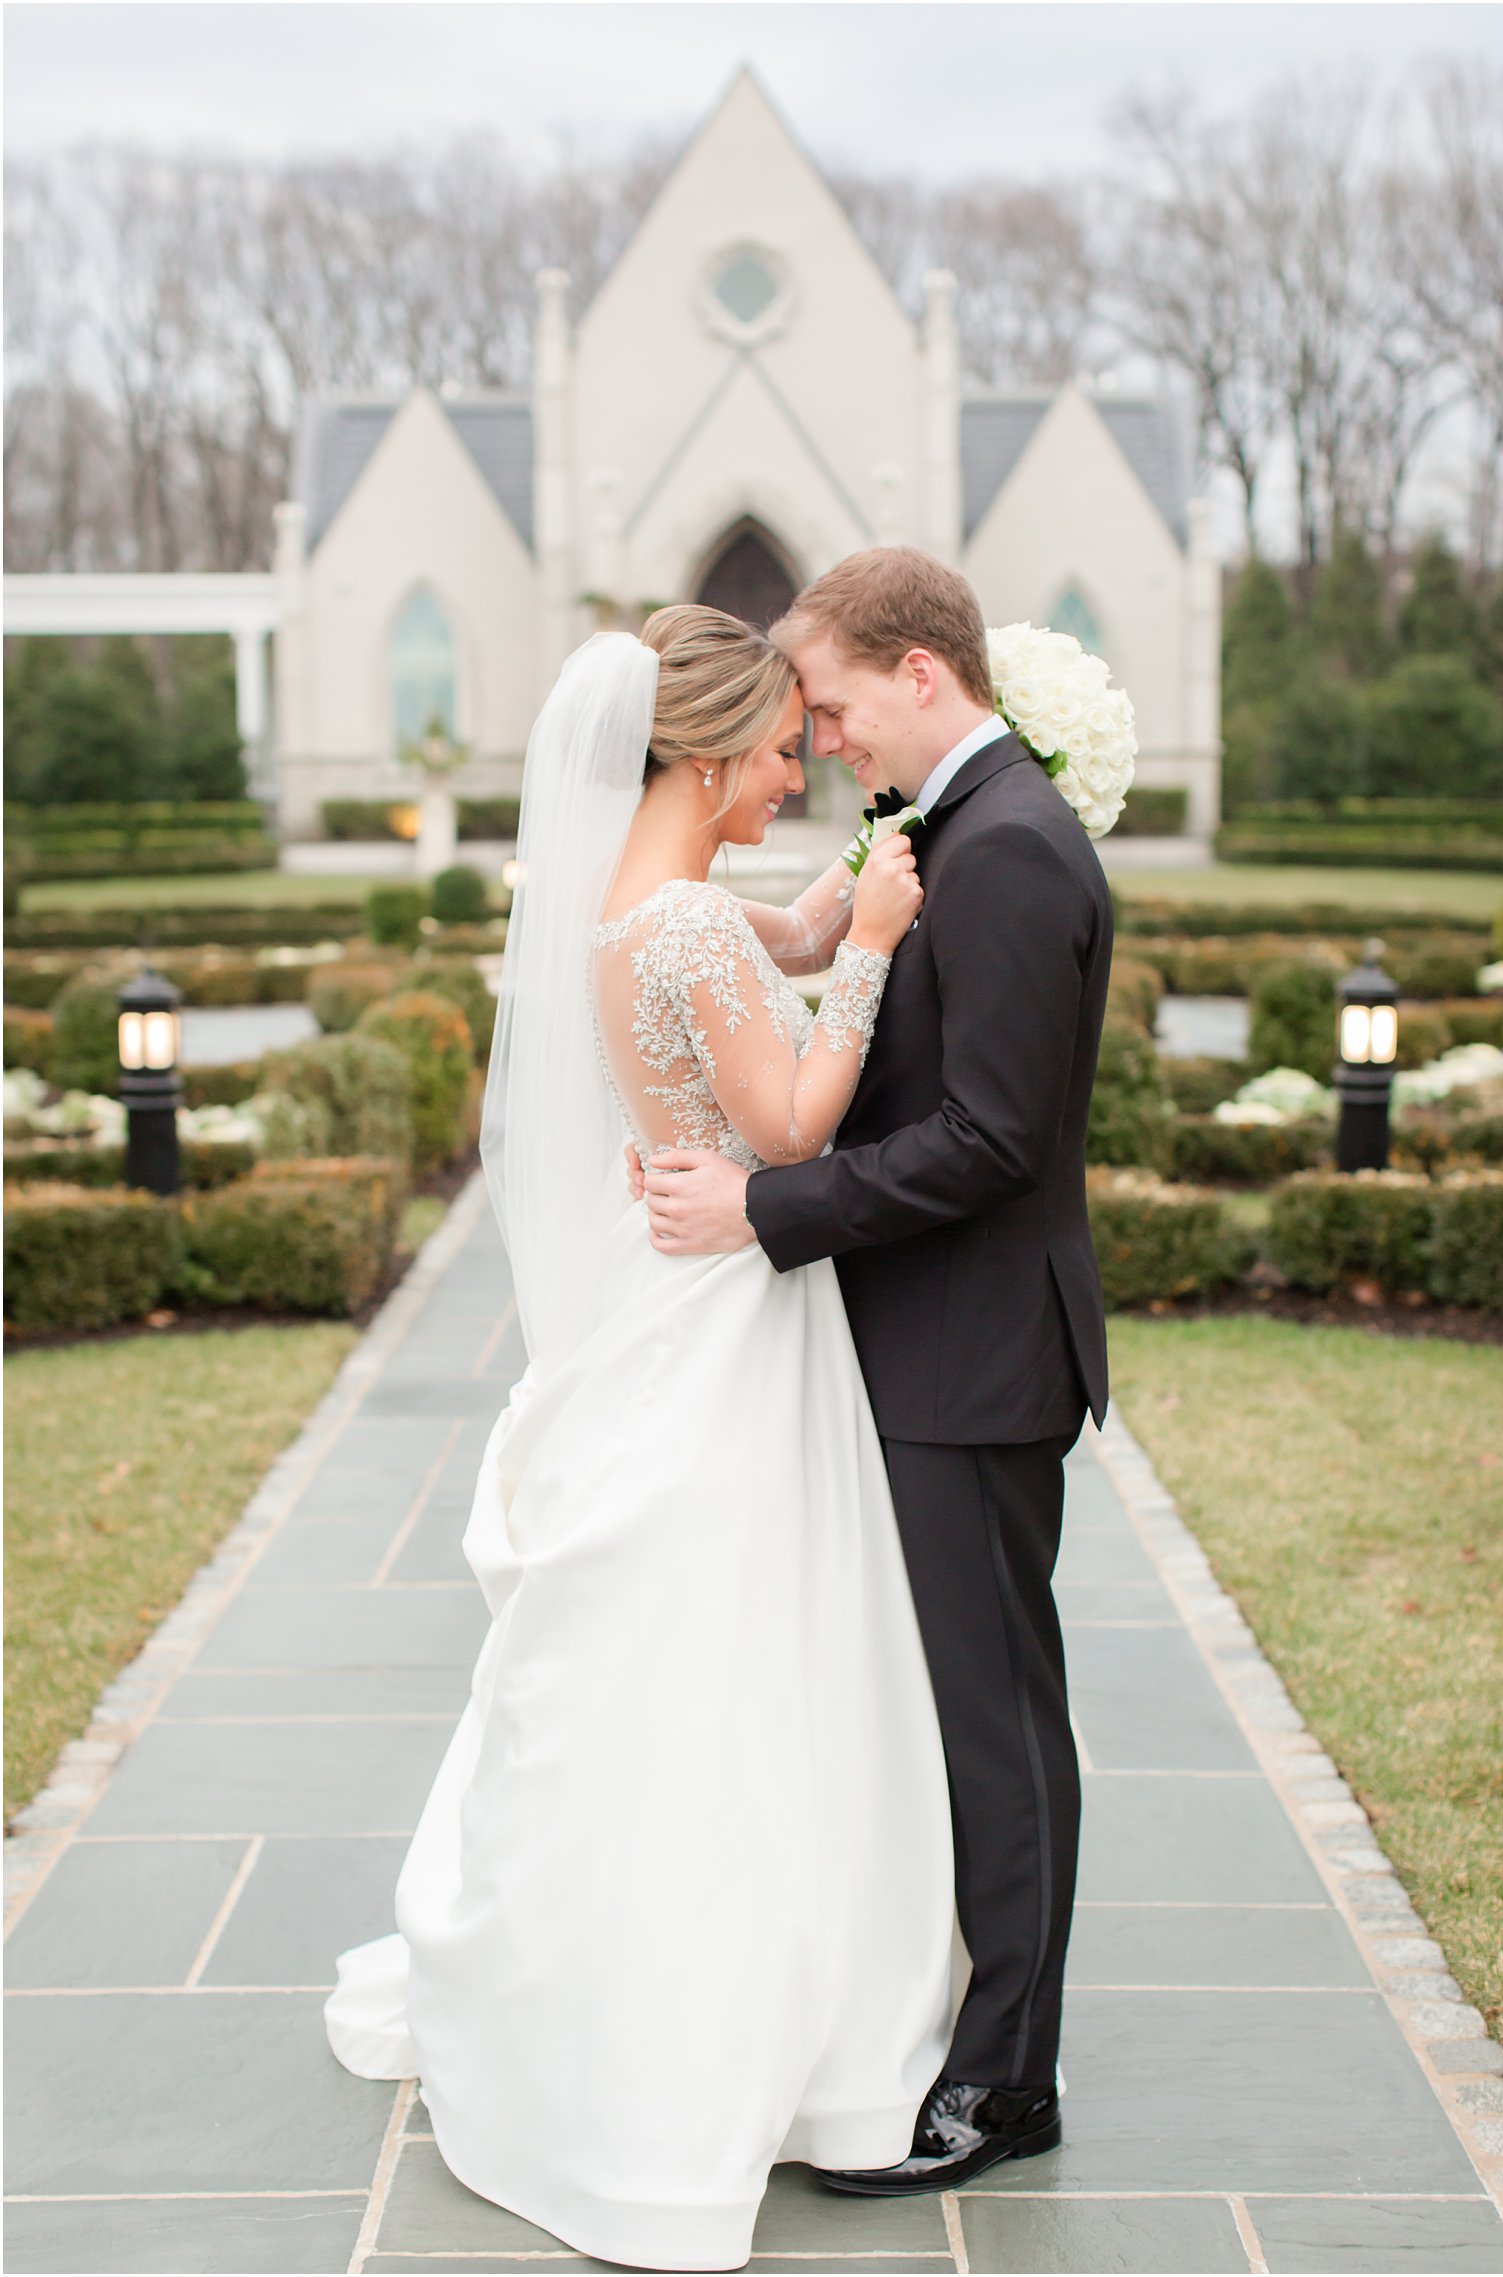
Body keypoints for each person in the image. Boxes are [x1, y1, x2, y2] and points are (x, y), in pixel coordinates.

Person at [323, 604, 958, 2274]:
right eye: (772, 748)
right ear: (697, 752)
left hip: (664, 1317)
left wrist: (827, 912)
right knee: (747, 1662)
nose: (794, 765)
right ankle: (740, 2032)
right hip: (727, 1327)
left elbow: (763, 946)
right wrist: (883, 935)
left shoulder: (628, 908)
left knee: (673, 1665)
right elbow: (790, 1124)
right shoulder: (680, 926)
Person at [636, 548, 1114, 2197]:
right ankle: (962, 2036)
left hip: (974, 1355)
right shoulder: (947, 836)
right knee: (958, 1718)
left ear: (922, 674)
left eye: (835, 705)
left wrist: (770, 1207)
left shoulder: (1017, 854)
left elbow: (988, 1140)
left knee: (999, 1727)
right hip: (923, 1347)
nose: (827, 739)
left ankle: (1006, 2083)